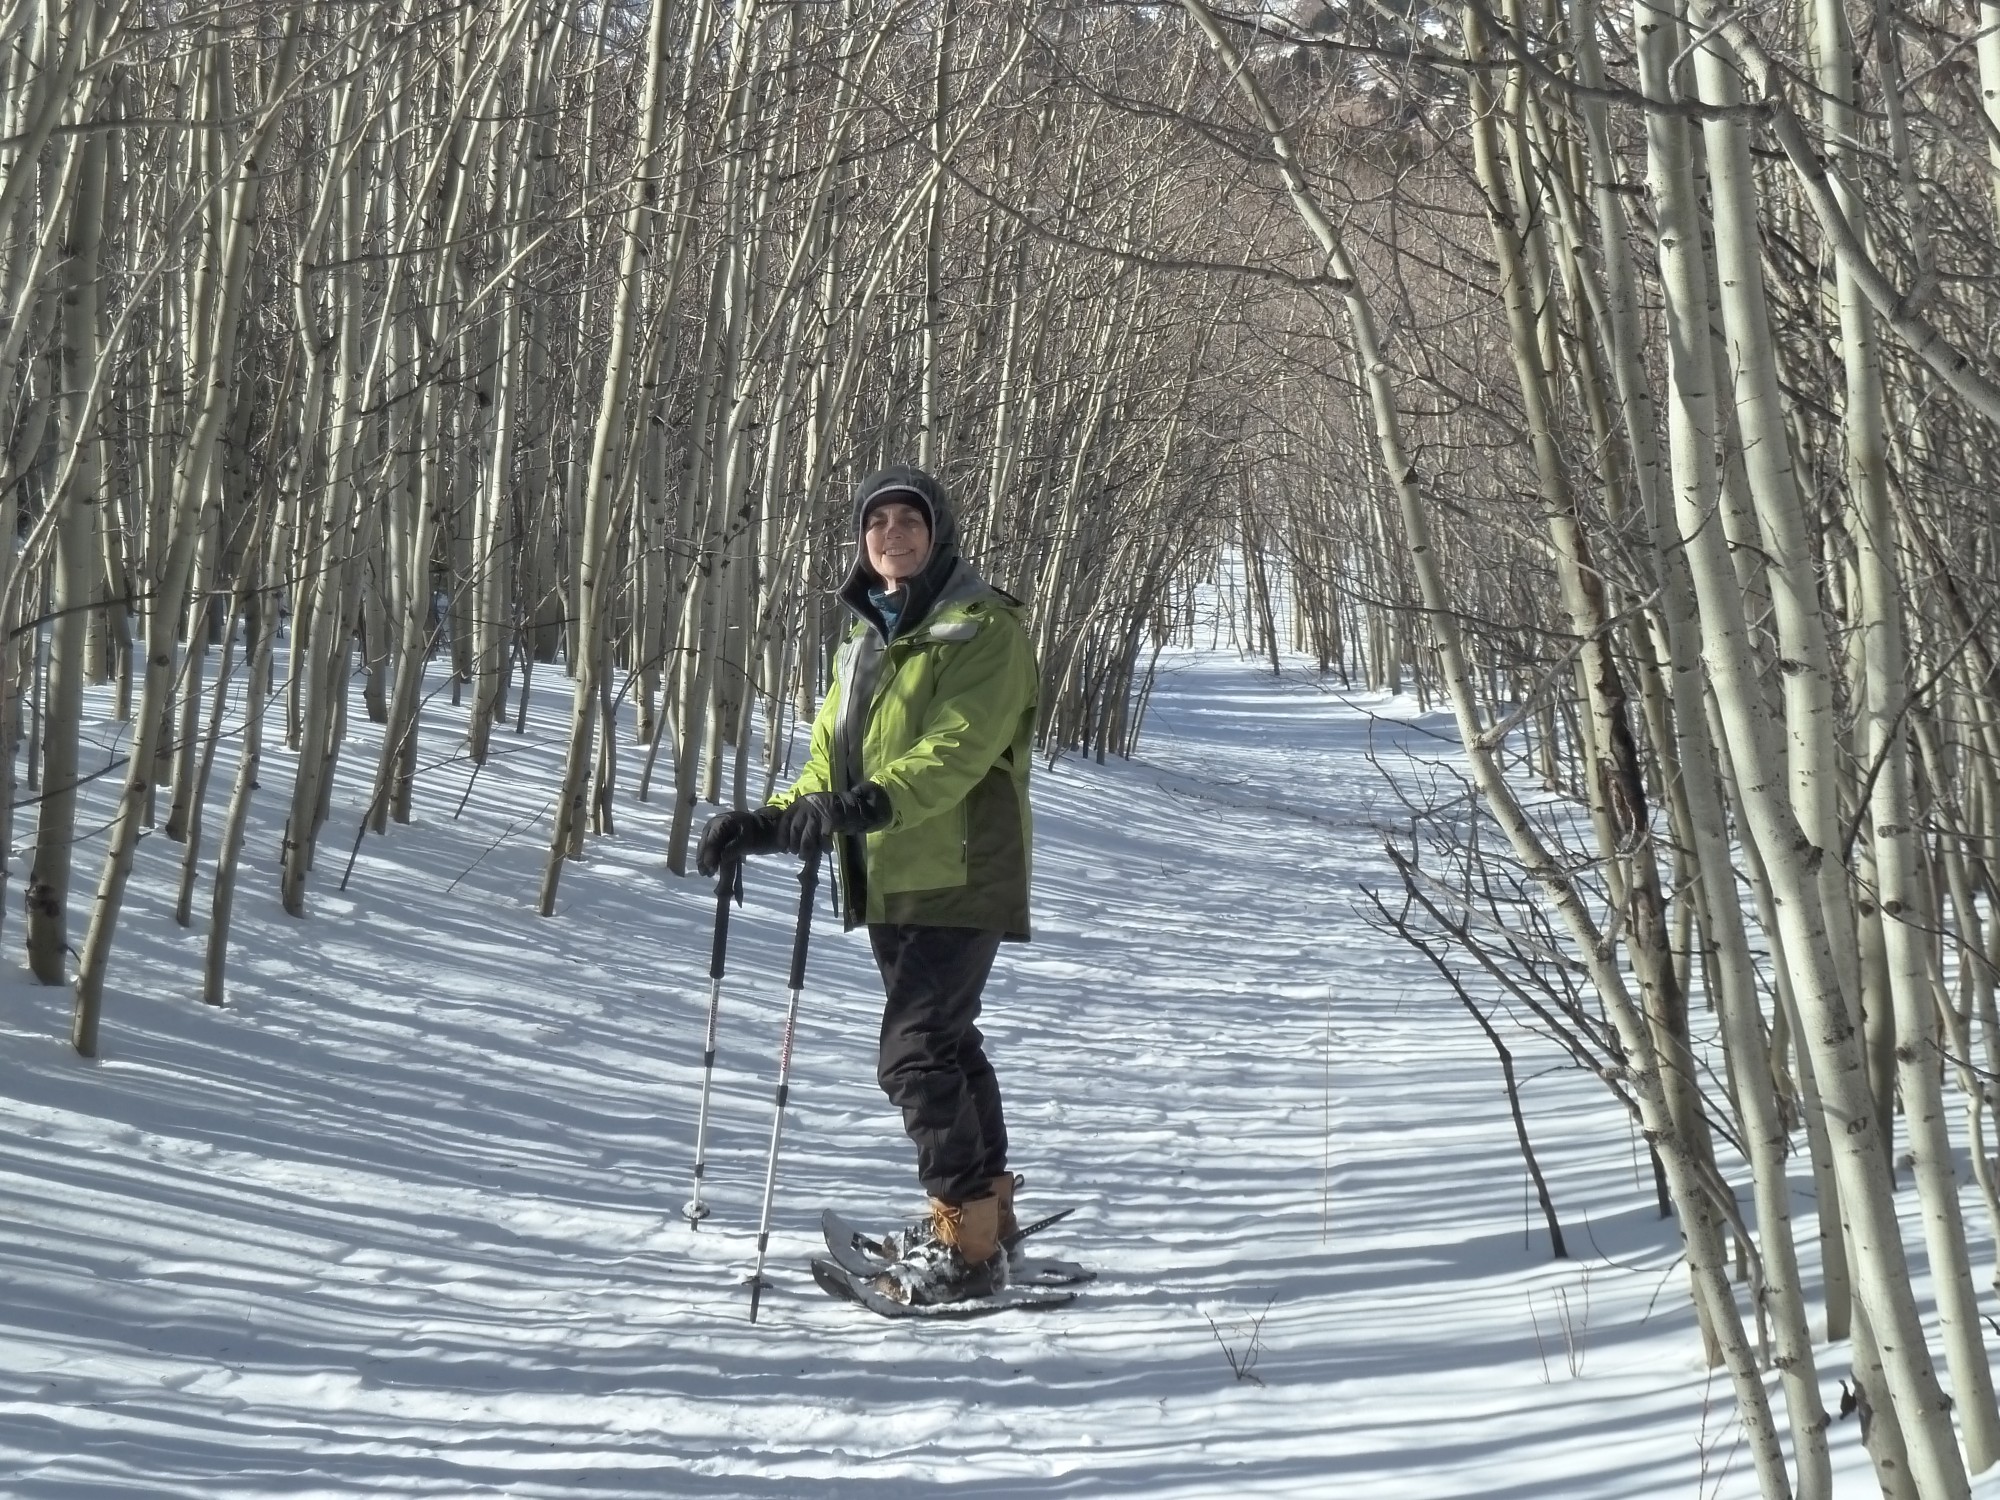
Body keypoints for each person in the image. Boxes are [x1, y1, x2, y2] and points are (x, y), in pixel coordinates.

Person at [695, 465, 1038, 1306]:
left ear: (939, 531)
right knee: (948, 1045)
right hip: (890, 873)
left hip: (961, 864)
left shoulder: (981, 629)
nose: (892, 534)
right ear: (862, 540)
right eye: (877, 522)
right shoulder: (865, 643)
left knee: (914, 1056)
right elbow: (826, 764)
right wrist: (771, 822)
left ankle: (964, 1243)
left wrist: (864, 804)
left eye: (909, 519)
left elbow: (955, 751)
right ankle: (988, 1213)